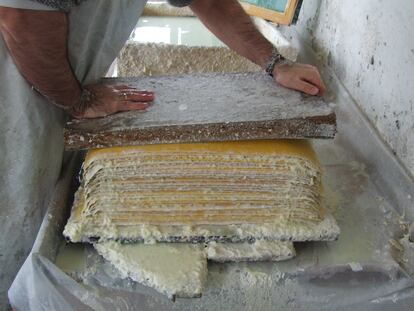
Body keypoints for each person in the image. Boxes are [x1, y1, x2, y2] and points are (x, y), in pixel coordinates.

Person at [0, 0, 325, 309]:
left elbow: (208, 2)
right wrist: (79, 101)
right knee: (12, 235)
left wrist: (274, 63)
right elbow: (21, 19)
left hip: (57, 91)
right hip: (14, 102)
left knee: (36, 241)